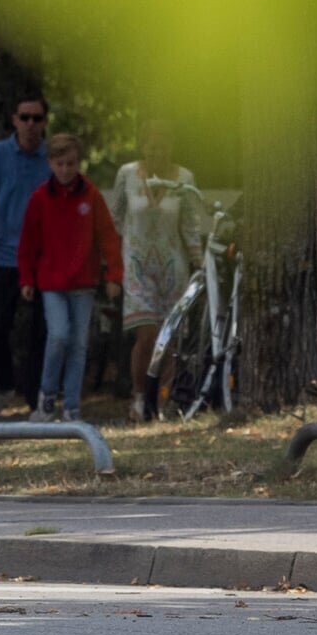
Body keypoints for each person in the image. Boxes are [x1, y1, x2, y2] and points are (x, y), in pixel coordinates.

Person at [17, 132, 120, 422]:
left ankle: (72, 405)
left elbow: (107, 236)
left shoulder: (92, 195)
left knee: (79, 343)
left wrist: (114, 274)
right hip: (51, 282)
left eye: (71, 163)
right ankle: (47, 398)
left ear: (79, 163)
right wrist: (26, 278)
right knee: (59, 335)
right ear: (50, 163)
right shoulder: (39, 198)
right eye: (60, 163)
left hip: (84, 282)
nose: (65, 170)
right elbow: (28, 242)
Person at [112, 120, 202, 418]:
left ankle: (164, 400)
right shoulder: (126, 174)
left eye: (162, 145)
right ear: (143, 146)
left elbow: (189, 224)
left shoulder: (184, 177)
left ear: (171, 146)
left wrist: (198, 260)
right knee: (147, 334)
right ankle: (139, 397)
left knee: (172, 338)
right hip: (137, 265)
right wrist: (113, 264)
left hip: (172, 266)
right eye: (151, 145)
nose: (157, 151)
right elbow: (117, 217)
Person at [0, 94, 53, 409]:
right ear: (14, 120)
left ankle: (37, 399)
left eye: (36, 118)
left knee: (42, 332)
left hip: (43, 259)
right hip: (5, 255)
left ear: (45, 122)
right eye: (24, 117)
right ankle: (3, 385)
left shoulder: (53, 158)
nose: (30, 124)